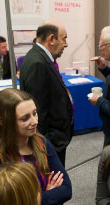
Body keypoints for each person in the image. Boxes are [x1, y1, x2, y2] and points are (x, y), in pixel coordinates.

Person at [20, 20, 72, 168]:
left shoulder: (40, 58)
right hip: (50, 144)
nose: (66, 44)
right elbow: (38, 113)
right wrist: (46, 147)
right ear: (51, 39)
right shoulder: (38, 64)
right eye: (64, 38)